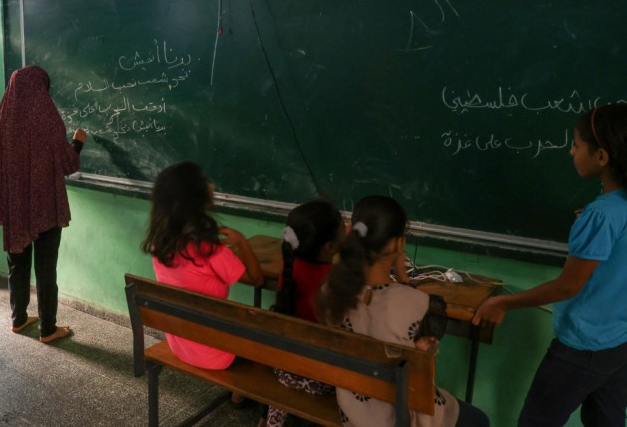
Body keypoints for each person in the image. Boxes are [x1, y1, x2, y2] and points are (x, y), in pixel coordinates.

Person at [473, 103, 627, 427]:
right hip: (619, 341)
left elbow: (568, 286)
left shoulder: (601, 215)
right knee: (607, 421)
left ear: (602, 156)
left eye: (577, 145)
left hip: (581, 348)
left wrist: (503, 301)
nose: (571, 152)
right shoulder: (610, 212)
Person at [320, 195, 489, 427]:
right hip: (399, 417)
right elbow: (423, 371)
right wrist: (403, 278)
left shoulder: (330, 291)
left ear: (351, 232)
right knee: (479, 419)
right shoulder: (417, 304)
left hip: (352, 410)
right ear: (398, 245)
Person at [0, 65, 86, 343]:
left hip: (14, 207)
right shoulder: (45, 116)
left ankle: (18, 320)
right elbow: (67, 162)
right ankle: (48, 329)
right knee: (45, 267)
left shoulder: (0, 119)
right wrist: (78, 143)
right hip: (46, 206)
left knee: (17, 264)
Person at [141, 160, 264, 370]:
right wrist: (242, 242)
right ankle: (242, 393)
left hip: (181, 346)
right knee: (268, 335)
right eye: (205, 182)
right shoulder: (209, 249)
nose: (212, 186)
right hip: (217, 355)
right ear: (194, 198)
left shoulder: (160, 247)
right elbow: (257, 279)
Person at [263, 198, 346, 427]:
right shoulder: (336, 281)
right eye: (343, 226)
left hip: (284, 371)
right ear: (329, 247)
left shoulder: (289, 269)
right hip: (321, 380)